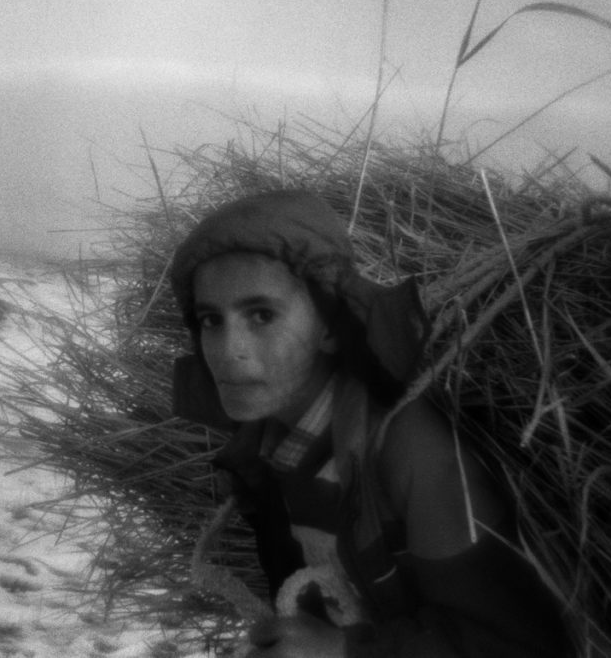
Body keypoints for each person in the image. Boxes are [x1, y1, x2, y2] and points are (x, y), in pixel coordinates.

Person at [168, 190, 571, 657]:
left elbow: (522, 646)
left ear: (332, 327)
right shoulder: (262, 450)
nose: (228, 348)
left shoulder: (413, 453)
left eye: (261, 315)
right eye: (210, 320)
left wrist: (343, 651)